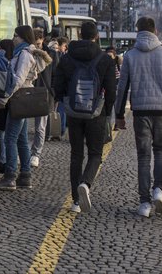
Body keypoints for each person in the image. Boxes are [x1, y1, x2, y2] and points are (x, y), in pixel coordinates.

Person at [114, 17, 162, 218]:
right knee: (160, 150)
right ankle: (158, 190)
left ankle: (144, 203)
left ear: (138, 31)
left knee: (144, 156)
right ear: (155, 31)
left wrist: (119, 115)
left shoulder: (130, 55)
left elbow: (122, 88)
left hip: (141, 112)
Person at [53, 21, 116, 213]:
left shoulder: (67, 57)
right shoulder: (105, 59)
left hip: (73, 111)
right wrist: (108, 111)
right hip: (96, 112)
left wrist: (63, 101)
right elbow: (112, 90)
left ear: (80, 34)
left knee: (76, 154)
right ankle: (86, 183)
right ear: (96, 36)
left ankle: (75, 202)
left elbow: (58, 82)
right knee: (96, 153)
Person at [0, 25, 51, 191]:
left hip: (17, 98)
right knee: (20, 139)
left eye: (15, 36)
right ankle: (25, 175)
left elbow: (18, 79)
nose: (13, 39)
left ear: (22, 37)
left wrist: (5, 97)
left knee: (10, 139)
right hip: (22, 99)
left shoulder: (24, 54)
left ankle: (10, 176)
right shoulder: (26, 53)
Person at [30, 29, 58, 168]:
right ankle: (24, 152)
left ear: (43, 41)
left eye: (39, 44)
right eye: (35, 44)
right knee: (22, 126)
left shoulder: (52, 54)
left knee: (40, 127)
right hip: (28, 91)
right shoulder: (28, 52)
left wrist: (53, 92)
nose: (37, 46)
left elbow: (56, 74)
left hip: (44, 93)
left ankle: (36, 154)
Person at [0, 39, 14, 174]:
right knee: (3, 133)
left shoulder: (0, 61)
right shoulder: (12, 61)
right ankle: (3, 159)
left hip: (0, 99)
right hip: (9, 101)